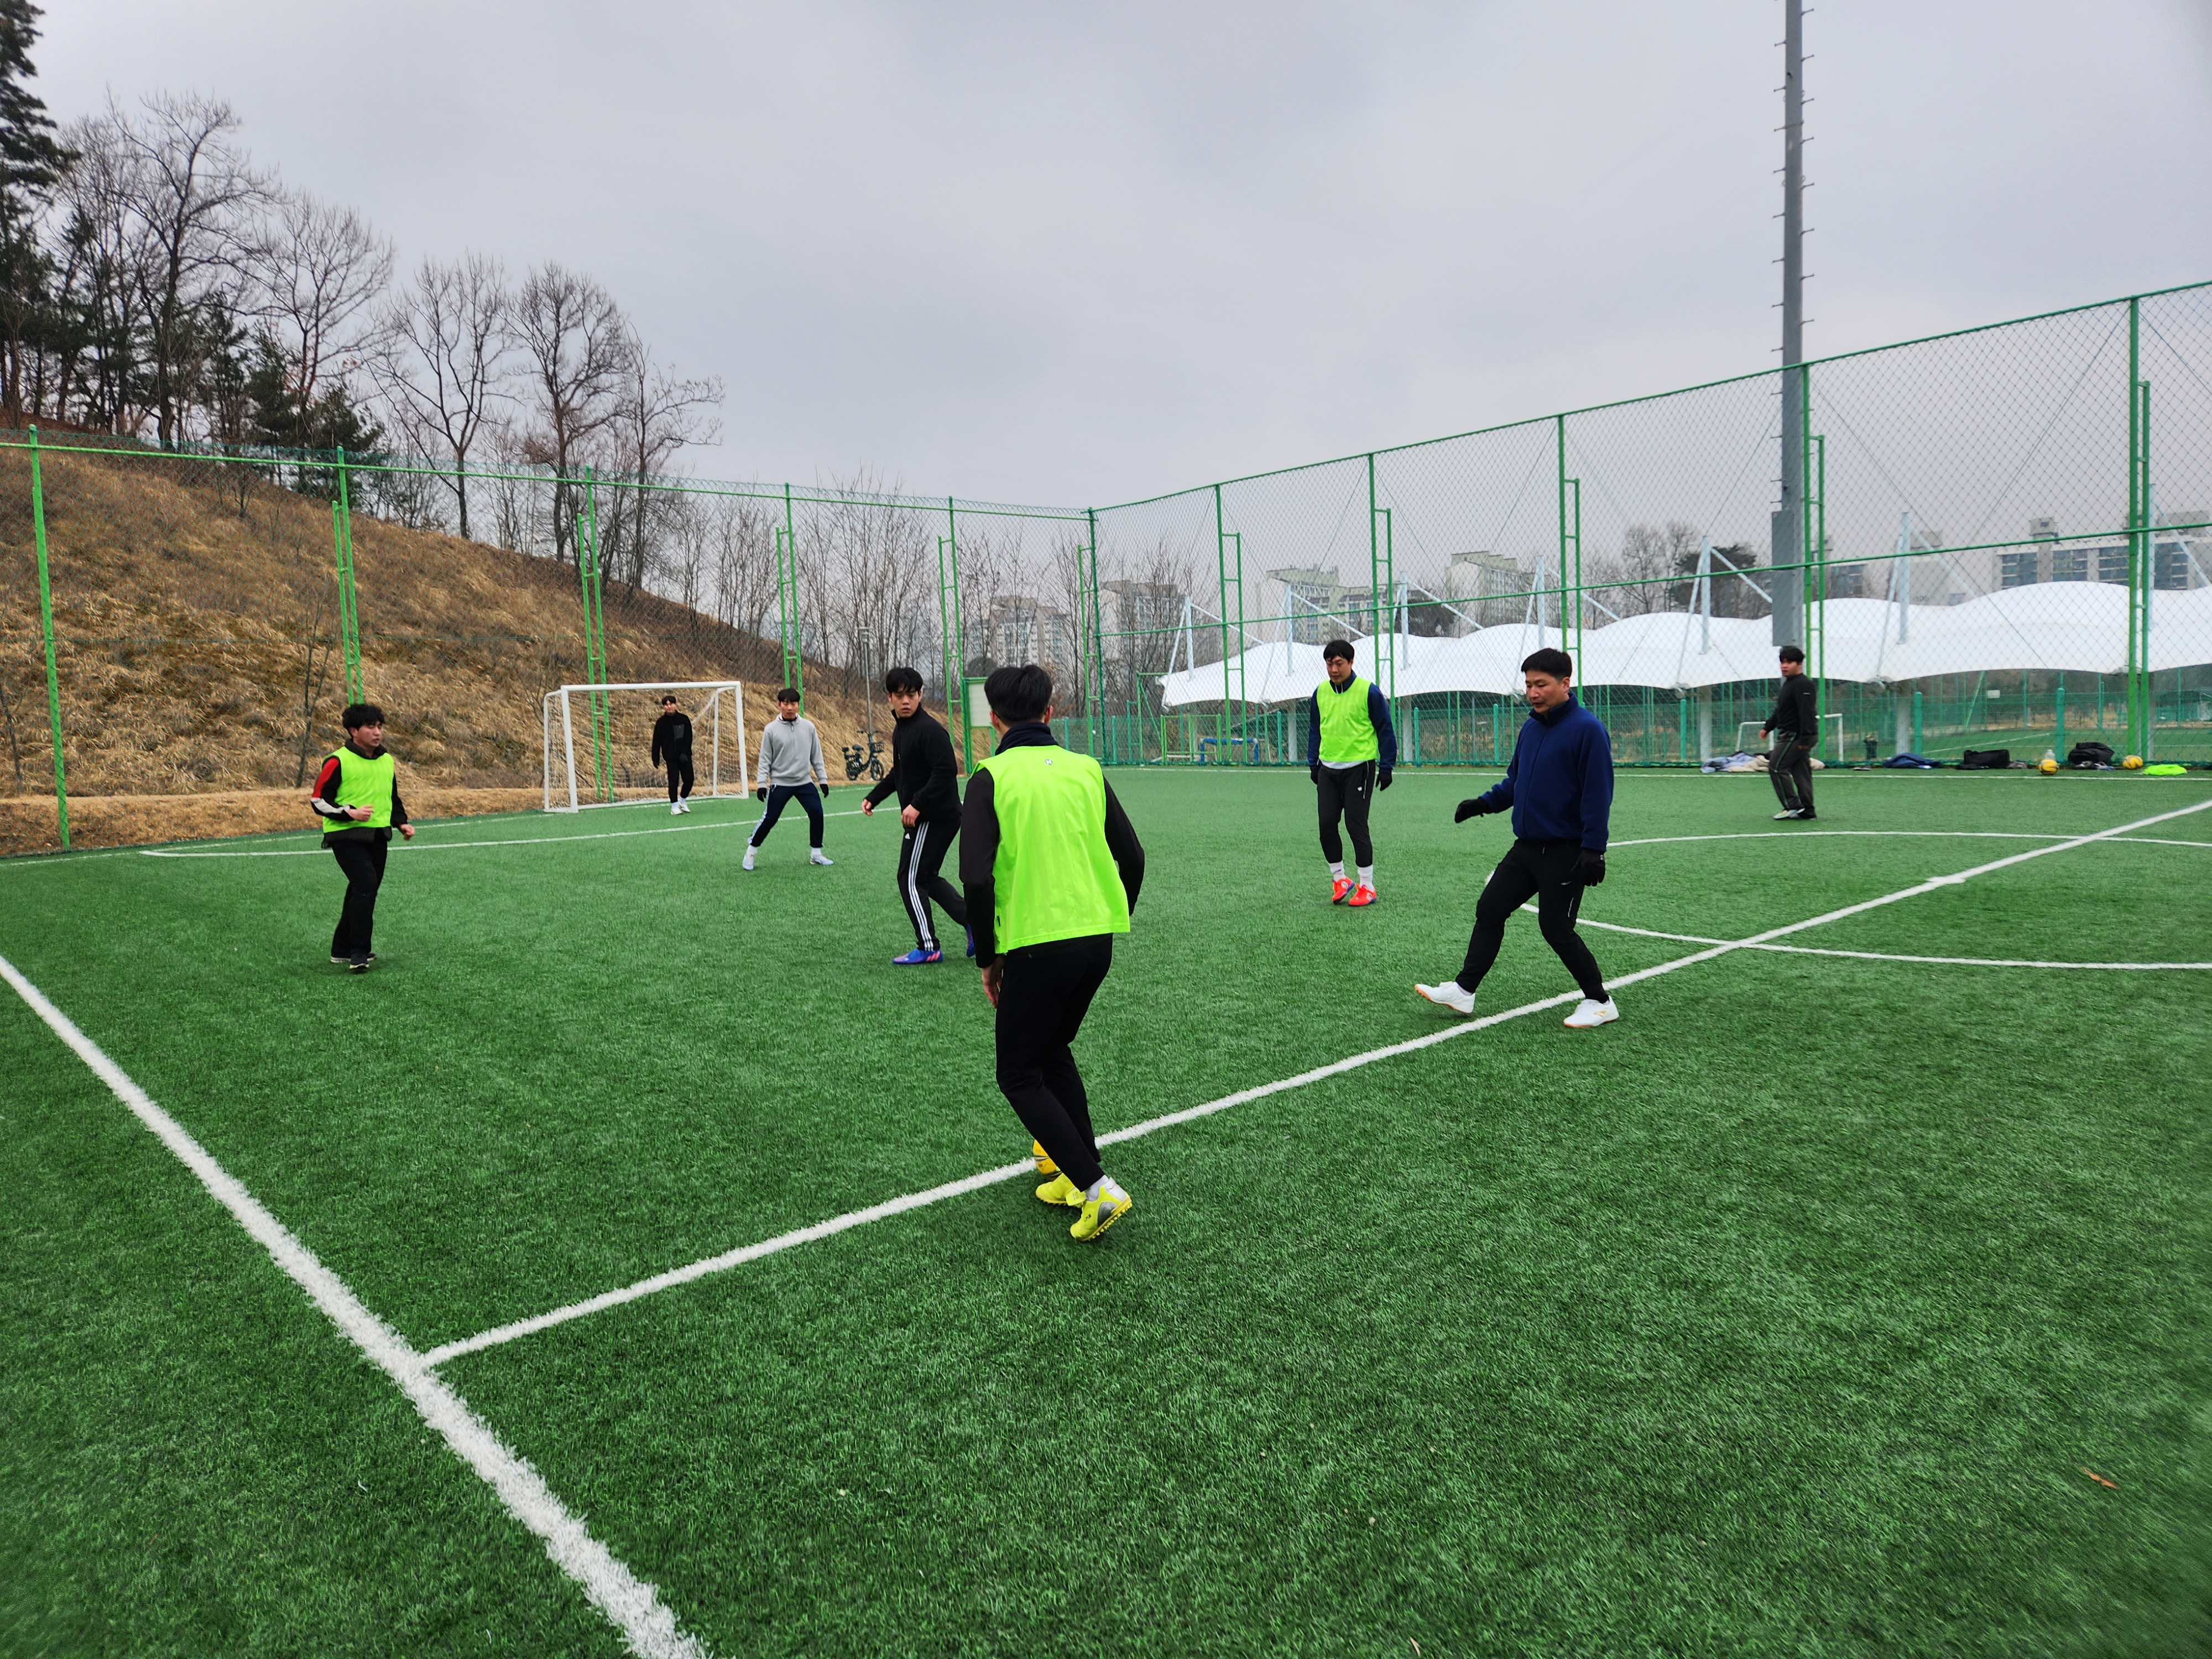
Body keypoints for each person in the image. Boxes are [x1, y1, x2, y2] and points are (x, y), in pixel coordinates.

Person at [962, 663, 1145, 1243]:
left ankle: (1096, 1187)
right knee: (1050, 1050)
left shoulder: (990, 777)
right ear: (1051, 710)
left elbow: (975, 879)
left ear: (993, 719)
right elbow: (1134, 857)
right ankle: (1077, 1172)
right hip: (1096, 941)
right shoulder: (1086, 768)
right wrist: (1108, 917)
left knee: (1017, 1074)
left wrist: (987, 957)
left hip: (1037, 945)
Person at [1416, 648, 1619, 1029]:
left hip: (1565, 851)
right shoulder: (1531, 728)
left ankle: (1600, 1001)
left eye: (1541, 684)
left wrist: (1594, 849)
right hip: (1525, 848)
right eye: (1528, 685)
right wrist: (1483, 804)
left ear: (1565, 683)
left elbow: (1598, 794)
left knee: (1556, 929)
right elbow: (1516, 781)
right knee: (1490, 909)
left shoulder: (1587, 730)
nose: (1533, 693)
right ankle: (1464, 990)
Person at [862, 666, 968, 964]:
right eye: (900, 696)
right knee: (926, 877)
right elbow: (900, 772)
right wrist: (874, 797)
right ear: (890, 698)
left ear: (921, 695)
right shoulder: (902, 729)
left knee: (909, 879)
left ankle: (928, 945)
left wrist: (917, 804)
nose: (906, 701)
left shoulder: (929, 730)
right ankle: (973, 922)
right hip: (936, 816)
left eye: (911, 695)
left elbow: (946, 771)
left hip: (933, 817)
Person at [307, 702, 415, 973]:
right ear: (354, 731)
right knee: (366, 886)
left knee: (363, 890)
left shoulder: (387, 760)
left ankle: (341, 949)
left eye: (380, 727)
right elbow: (318, 800)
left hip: (378, 835)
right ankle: (359, 952)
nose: (378, 732)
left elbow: (391, 797)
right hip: (345, 835)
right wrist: (349, 813)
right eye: (370, 727)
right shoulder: (337, 760)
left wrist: (401, 823)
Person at [1305, 638, 1397, 907]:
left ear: (1351, 662)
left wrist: (1387, 766)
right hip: (1328, 769)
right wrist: (1313, 764)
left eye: (1339, 663)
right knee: (1326, 825)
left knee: (1355, 825)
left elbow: (1385, 729)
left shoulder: (1369, 692)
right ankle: (1340, 879)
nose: (1334, 669)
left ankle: (1367, 886)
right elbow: (1315, 730)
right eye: (1329, 664)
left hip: (1360, 769)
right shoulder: (1320, 693)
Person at [744, 687, 833, 870]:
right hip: (780, 783)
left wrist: (822, 780)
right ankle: (751, 852)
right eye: (786, 704)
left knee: (817, 813)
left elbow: (816, 755)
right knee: (770, 819)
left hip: (804, 782)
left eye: (793, 703)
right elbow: (765, 759)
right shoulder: (771, 730)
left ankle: (816, 854)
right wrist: (761, 784)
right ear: (779, 705)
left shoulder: (809, 727)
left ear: (799, 705)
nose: (790, 707)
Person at [1761, 646, 1818, 821]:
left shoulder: (1803, 684)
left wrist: (1805, 738)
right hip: (1795, 735)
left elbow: (1807, 712)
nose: (1784, 666)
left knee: (1776, 767)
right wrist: (1768, 727)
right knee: (1801, 771)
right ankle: (1807, 810)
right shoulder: (1790, 684)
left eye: (1789, 662)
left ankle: (1792, 806)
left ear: (1799, 664)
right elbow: (1782, 710)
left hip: (1795, 735)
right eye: (1782, 662)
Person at [652, 693, 695, 815]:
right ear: (663, 707)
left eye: (671, 704)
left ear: (676, 705)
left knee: (689, 779)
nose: (669, 706)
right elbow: (656, 741)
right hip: (670, 757)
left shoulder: (684, 719)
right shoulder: (661, 723)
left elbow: (689, 737)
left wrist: (685, 752)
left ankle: (683, 800)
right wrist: (655, 758)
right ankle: (674, 806)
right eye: (666, 705)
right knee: (673, 781)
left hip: (685, 756)